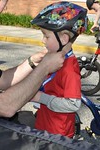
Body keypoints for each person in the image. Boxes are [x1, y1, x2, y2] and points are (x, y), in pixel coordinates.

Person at [31, 1, 88, 138]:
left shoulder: (69, 68)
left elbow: (73, 104)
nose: (43, 40)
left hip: (57, 134)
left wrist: (41, 97)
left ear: (63, 39)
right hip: (45, 126)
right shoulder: (55, 59)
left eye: (46, 36)